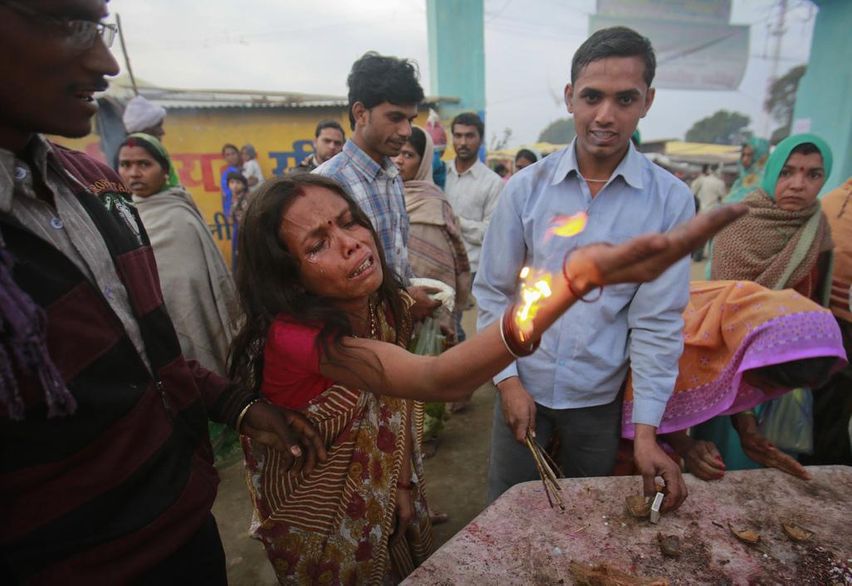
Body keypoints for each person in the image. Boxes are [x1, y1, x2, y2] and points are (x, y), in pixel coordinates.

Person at [229, 173, 744, 583]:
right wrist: (573, 280)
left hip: (383, 488)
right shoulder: (296, 338)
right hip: (321, 513)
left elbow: (393, 373)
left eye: (349, 222)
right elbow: (437, 380)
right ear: (287, 277)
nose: (351, 243)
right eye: (317, 245)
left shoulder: (371, 301)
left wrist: (401, 480)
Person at [0, 1, 324, 582]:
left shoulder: (93, 186)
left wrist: (237, 405)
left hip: (182, 524)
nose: (103, 63)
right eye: (69, 23)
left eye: (99, 29)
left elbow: (148, 357)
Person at [475, 26, 695, 510]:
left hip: (599, 400)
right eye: (592, 96)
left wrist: (646, 433)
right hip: (523, 385)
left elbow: (657, 322)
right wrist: (508, 383)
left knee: (585, 519)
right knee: (508, 513)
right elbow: (493, 292)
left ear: (648, 101)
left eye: (625, 99)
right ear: (570, 97)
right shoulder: (525, 190)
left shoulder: (671, 202)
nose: (605, 116)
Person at [618, 281, 846, 480]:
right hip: (610, 408)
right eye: (767, 385)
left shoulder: (753, 326)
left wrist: (747, 430)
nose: (765, 392)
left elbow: (730, 371)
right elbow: (646, 395)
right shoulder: (685, 339)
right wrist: (683, 444)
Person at [704, 134, 834, 469]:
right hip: (732, 368)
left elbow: (816, 300)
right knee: (727, 463)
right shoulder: (737, 223)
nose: (798, 184)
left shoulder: (817, 228)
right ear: (772, 171)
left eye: (812, 175)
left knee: (775, 462)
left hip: (787, 372)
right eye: (787, 172)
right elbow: (724, 310)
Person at [315, 52, 439, 321]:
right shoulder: (325, 186)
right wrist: (404, 301)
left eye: (411, 119)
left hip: (394, 335)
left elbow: (395, 265)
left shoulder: (392, 177)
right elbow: (328, 287)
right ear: (361, 113)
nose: (406, 131)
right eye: (395, 117)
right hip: (353, 344)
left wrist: (408, 296)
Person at [117, 133, 238, 376]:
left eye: (144, 164)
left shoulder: (181, 214)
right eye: (125, 165)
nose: (133, 173)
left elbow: (192, 285)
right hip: (151, 330)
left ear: (165, 170)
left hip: (191, 319)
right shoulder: (118, 215)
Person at [393, 126, 471, 345]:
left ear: (423, 160)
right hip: (390, 307)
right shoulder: (386, 194)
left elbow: (439, 268)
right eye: (396, 153)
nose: (399, 160)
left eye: (408, 155)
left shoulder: (433, 203)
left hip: (427, 311)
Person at [806, 177, 852, 466]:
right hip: (834, 324)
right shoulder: (832, 202)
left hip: (830, 322)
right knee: (831, 409)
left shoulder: (830, 200)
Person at [444, 112, 504, 282]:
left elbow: (492, 233)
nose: (463, 142)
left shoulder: (493, 183)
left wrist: (456, 222)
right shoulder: (441, 174)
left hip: (474, 272)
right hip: (440, 267)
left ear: (481, 139)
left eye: (469, 136)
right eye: (458, 136)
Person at [723, 136, 770, 204]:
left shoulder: (766, 182)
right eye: (743, 155)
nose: (744, 159)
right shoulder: (739, 182)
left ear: (760, 156)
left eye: (749, 155)